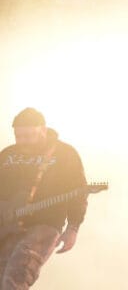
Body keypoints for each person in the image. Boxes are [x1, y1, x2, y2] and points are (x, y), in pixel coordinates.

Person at [0, 108, 87, 290]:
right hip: (6, 225)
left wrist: (73, 227)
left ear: (43, 130)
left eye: (28, 136)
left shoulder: (65, 154)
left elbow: (78, 192)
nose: (22, 141)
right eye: (18, 136)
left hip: (43, 226)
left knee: (16, 275)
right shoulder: (8, 154)